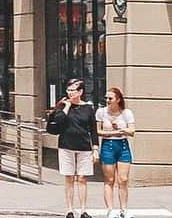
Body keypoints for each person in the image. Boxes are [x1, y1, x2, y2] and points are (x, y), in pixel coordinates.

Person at [48, 77, 99, 218]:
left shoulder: (88, 108)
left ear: (80, 91)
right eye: (68, 90)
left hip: (84, 146)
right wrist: (67, 107)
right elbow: (59, 121)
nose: (70, 93)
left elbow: (93, 130)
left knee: (82, 178)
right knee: (69, 177)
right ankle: (69, 209)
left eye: (73, 90)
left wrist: (95, 149)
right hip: (66, 145)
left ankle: (83, 210)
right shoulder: (63, 106)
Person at [96, 86, 135, 218]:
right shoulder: (101, 112)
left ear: (118, 99)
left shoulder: (126, 113)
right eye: (106, 98)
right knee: (109, 179)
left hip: (123, 145)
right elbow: (98, 131)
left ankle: (124, 209)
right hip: (108, 145)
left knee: (123, 179)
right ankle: (110, 209)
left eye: (110, 98)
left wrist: (121, 129)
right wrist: (113, 132)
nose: (107, 100)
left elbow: (132, 131)